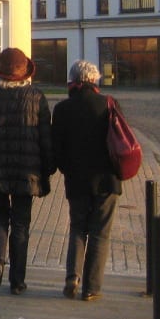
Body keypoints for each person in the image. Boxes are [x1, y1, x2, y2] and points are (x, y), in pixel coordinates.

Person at [0, 47, 54, 295]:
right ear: (25, 74)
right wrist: (48, 168)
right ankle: (18, 281)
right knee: (21, 223)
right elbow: (45, 137)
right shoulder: (37, 97)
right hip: (27, 171)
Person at [52, 59, 122, 302]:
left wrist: (67, 168)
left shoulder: (62, 110)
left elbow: (56, 149)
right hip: (107, 180)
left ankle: (72, 276)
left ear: (73, 81)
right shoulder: (109, 105)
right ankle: (91, 287)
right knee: (100, 232)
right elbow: (121, 140)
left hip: (77, 180)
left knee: (77, 228)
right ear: (95, 80)